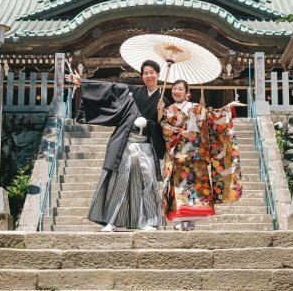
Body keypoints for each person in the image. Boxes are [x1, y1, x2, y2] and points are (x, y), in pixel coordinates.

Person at [67, 60, 168, 232]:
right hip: (127, 143)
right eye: (145, 73)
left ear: (158, 75)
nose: (149, 76)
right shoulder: (133, 92)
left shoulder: (163, 99)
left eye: (152, 72)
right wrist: (83, 83)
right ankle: (111, 221)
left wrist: (160, 114)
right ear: (142, 76)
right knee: (120, 181)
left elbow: (163, 126)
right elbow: (110, 89)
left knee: (150, 181)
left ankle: (151, 222)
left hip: (146, 145)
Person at [160, 80, 243, 230]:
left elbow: (214, 116)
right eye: (174, 89)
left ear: (187, 92)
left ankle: (191, 222)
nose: (176, 91)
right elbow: (164, 127)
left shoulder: (198, 108)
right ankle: (179, 221)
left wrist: (228, 109)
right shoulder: (168, 110)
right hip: (178, 156)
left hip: (197, 155)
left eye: (180, 89)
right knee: (179, 189)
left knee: (197, 190)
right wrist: (179, 132)